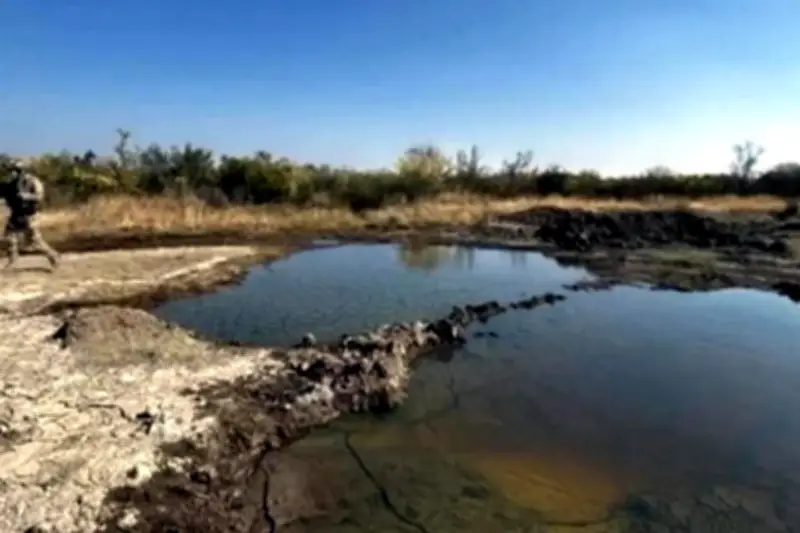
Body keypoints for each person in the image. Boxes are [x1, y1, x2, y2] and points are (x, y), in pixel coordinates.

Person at [2, 159, 60, 269]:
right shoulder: (11, 183)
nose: (13, 172)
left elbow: (40, 196)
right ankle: (12, 259)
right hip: (16, 215)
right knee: (9, 238)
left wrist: (27, 196)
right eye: (12, 170)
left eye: (16, 170)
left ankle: (53, 256)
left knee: (34, 241)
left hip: (29, 215)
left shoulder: (32, 181)